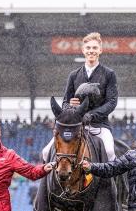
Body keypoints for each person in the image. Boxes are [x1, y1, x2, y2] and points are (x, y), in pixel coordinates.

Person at [42, 32, 118, 162]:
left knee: (110, 152)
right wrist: (71, 107)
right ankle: (44, 183)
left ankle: (113, 183)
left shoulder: (109, 74)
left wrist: (92, 115)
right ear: (83, 50)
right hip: (74, 125)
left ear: (100, 50)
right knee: (45, 152)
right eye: (88, 48)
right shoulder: (73, 75)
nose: (91, 51)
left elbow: (111, 102)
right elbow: (65, 102)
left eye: (94, 48)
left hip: (99, 125)